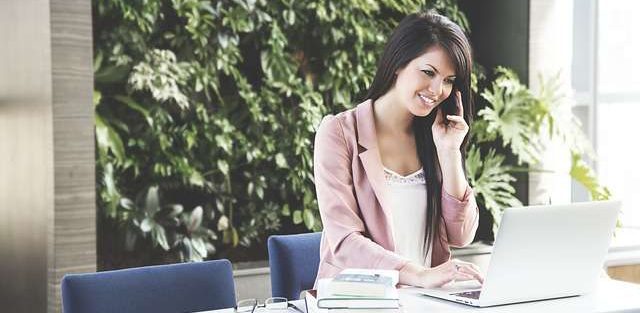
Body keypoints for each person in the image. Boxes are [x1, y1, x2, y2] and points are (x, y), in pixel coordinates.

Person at [313, 11, 484, 289]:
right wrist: (418, 274)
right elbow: (344, 241)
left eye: (449, 80)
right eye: (428, 72)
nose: (437, 89)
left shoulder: (436, 136)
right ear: (398, 64)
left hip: (425, 301)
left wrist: (450, 153)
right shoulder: (340, 133)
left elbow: (461, 235)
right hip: (359, 299)